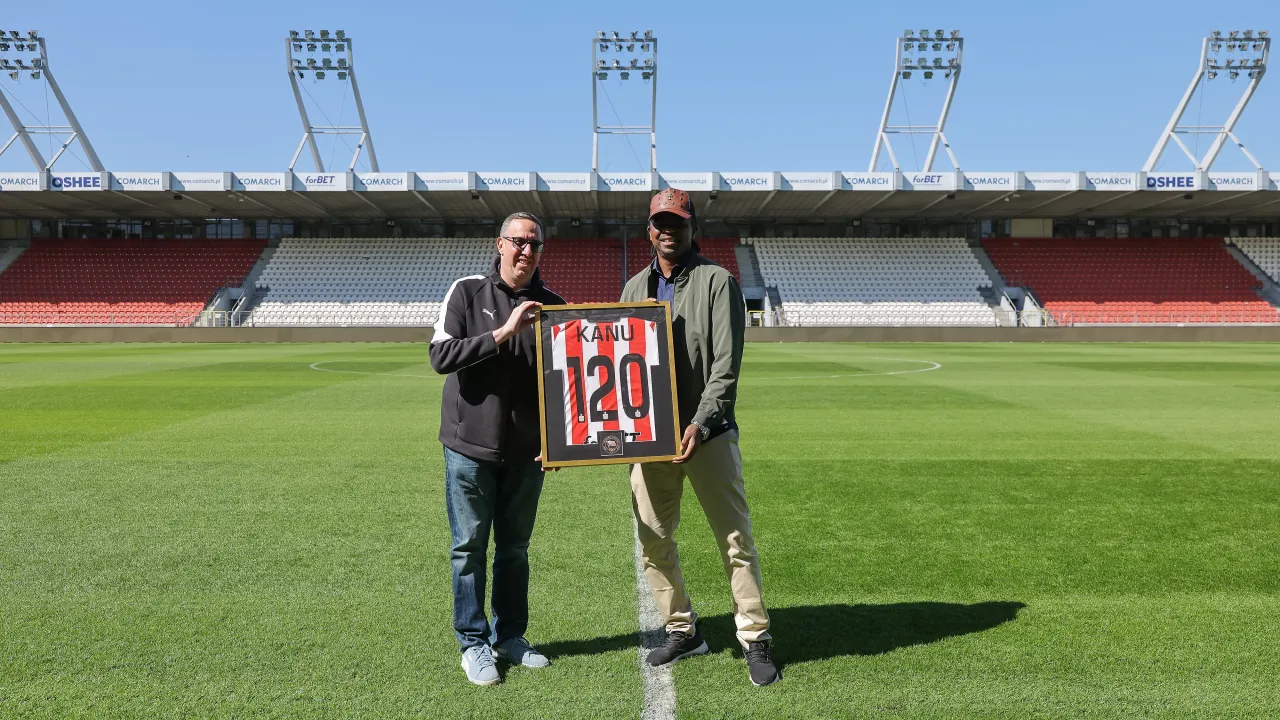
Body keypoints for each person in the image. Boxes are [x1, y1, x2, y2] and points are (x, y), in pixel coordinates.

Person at [620, 188, 780, 686]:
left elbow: (726, 367)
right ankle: (682, 630)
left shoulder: (717, 281)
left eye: (678, 222)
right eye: (660, 222)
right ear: (649, 228)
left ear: (693, 227)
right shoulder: (631, 289)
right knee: (653, 541)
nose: (668, 230)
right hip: (650, 440)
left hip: (707, 436)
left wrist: (700, 422)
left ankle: (755, 638)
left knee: (735, 541)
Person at [429, 211, 565, 686]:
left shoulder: (554, 305)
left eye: (534, 243)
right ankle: (473, 643)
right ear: (500, 244)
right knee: (468, 548)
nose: (526, 250)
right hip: (468, 450)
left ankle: (510, 636)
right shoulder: (466, 291)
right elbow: (440, 357)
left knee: (515, 550)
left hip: (528, 455)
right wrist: (503, 333)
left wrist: (560, 445)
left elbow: (564, 385)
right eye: (517, 241)